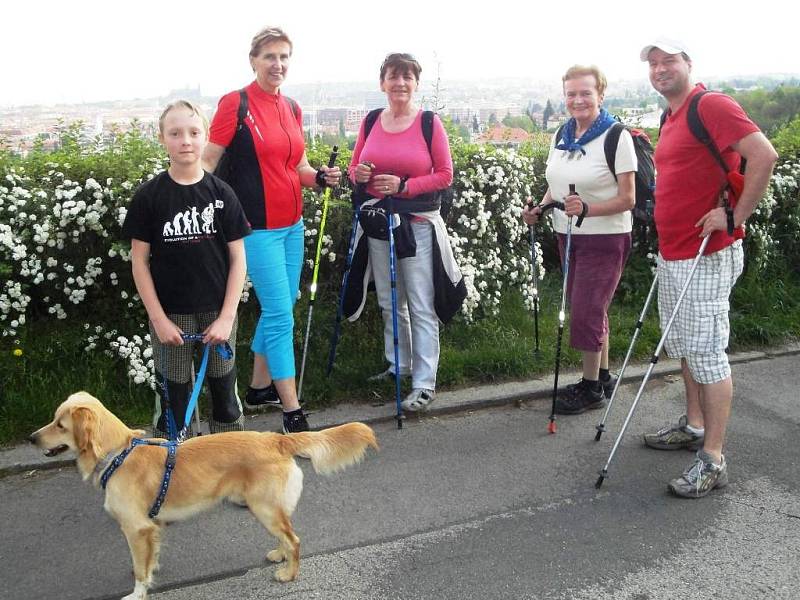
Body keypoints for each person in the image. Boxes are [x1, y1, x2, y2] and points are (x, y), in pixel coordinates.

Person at [639, 38, 778, 498]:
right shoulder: (671, 115)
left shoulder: (710, 105)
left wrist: (736, 216)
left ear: (688, 63)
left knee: (707, 352)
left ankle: (713, 459)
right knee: (686, 346)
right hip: (677, 252)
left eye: (668, 60)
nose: (660, 69)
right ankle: (695, 426)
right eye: (653, 63)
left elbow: (764, 155)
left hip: (708, 253)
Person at [202, 26, 340, 433]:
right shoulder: (236, 103)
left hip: (292, 226)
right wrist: (189, 204)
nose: (277, 65)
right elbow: (209, 161)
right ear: (254, 60)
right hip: (255, 229)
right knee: (281, 314)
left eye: (283, 57)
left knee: (283, 305)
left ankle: (260, 386)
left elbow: (296, 167)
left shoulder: (292, 108)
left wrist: (322, 178)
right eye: (269, 57)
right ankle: (291, 409)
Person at [123, 100, 250, 437]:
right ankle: (173, 462)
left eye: (194, 133)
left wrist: (226, 317)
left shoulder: (222, 194)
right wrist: (158, 319)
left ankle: (230, 460)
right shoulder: (149, 197)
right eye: (175, 133)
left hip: (218, 312)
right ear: (162, 138)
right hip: (171, 316)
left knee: (224, 391)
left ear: (206, 137)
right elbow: (139, 262)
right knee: (174, 395)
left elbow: (239, 259)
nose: (186, 141)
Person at [346, 53, 465, 412]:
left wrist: (404, 186)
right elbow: (354, 169)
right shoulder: (370, 121)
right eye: (393, 77)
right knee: (389, 300)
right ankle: (398, 365)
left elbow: (445, 175)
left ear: (416, 83)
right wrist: (360, 176)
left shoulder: (429, 123)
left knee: (420, 303)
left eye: (407, 77)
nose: (400, 83)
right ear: (382, 83)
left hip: (417, 226)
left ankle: (424, 383)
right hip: (381, 223)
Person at [522, 65, 636, 415]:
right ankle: (601, 376)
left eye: (585, 92)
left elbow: (629, 198)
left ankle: (589, 389)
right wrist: (539, 208)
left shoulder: (617, 136)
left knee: (586, 310)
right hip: (567, 234)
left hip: (606, 237)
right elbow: (556, 183)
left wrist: (588, 207)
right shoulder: (563, 133)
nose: (577, 99)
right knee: (590, 307)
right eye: (571, 93)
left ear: (601, 94)